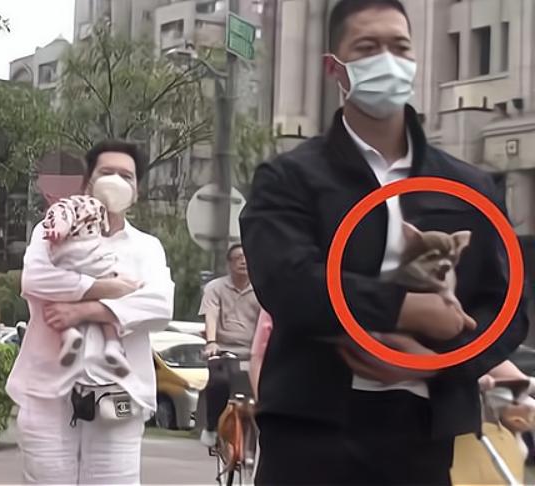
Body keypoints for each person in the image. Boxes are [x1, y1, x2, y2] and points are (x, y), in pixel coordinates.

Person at [239, 1, 529, 484]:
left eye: (399, 47)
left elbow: (508, 308)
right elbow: (289, 283)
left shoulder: (470, 187)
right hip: (310, 429)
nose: (387, 60)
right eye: (368, 48)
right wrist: (407, 310)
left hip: (422, 435)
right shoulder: (289, 178)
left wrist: (438, 362)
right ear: (335, 67)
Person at [6, 140, 174, 485]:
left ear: (137, 191)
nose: (116, 181)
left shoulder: (147, 248)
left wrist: (83, 310)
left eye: (126, 176)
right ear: (87, 183)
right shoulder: (51, 233)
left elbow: (158, 305)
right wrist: (108, 289)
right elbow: (36, 280)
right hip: (48, 396)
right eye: (107, 172)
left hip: (118, 397)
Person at [198, 244, 261, 447]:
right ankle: (211, 427)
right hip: (224, 350)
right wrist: (211, 342)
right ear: (229, 264)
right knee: (219, 382)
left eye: (247, 257)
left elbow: (267, 321)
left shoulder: (262, 288)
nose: (243, 261)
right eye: (238, 258)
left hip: (254, 352)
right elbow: (211, 315)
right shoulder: (215, 288)